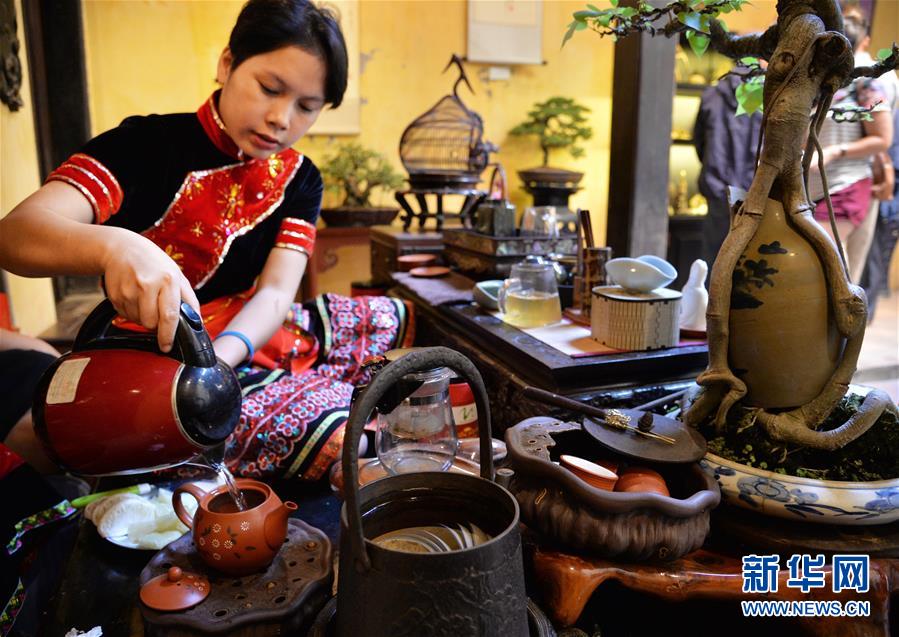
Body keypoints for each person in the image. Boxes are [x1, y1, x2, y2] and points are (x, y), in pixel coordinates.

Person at [0, 0, 411, 482]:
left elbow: (277, 293)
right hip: (160, 352)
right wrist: (117, 247)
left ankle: (288, 388)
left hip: (244, 334)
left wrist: (226, 356)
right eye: (269, 88)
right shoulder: (145, 145)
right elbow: (15, 234)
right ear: (227, 64)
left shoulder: (300, 177)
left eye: (306, 107)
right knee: (337, 432)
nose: (282, 118)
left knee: (392, 317)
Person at [807, 14, 893, 284]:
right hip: (809, 186)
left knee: (820, 258)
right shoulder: (815, 85)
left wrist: (835, 152)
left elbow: (883, 138)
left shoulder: (867, 85)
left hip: (846, 184)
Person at [693, 68, 764, 269]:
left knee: (713, 260)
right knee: (749, 261)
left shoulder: (711, 95)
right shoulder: (766, 97)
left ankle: (711, 301)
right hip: (755, 192)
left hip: (718, 189)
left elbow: (699, 142)